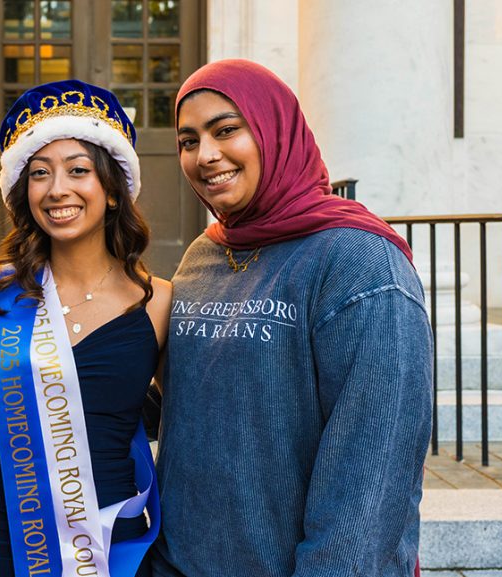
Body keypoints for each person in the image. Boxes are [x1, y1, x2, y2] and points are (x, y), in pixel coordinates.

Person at [151, 59, 433, 577]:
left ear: (274, 131)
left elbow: (373, 467)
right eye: (188, 140)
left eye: (226, 130)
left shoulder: (359, 263)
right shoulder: (204, 255)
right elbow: (193, 405)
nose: (206, 155)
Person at [0, 80, 171, 577]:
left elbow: (190, 422)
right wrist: (17, 423)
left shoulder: (158, 301)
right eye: (40, 174)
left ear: (112, 190)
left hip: (109, 539)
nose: (57, 189)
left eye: (78, 171)